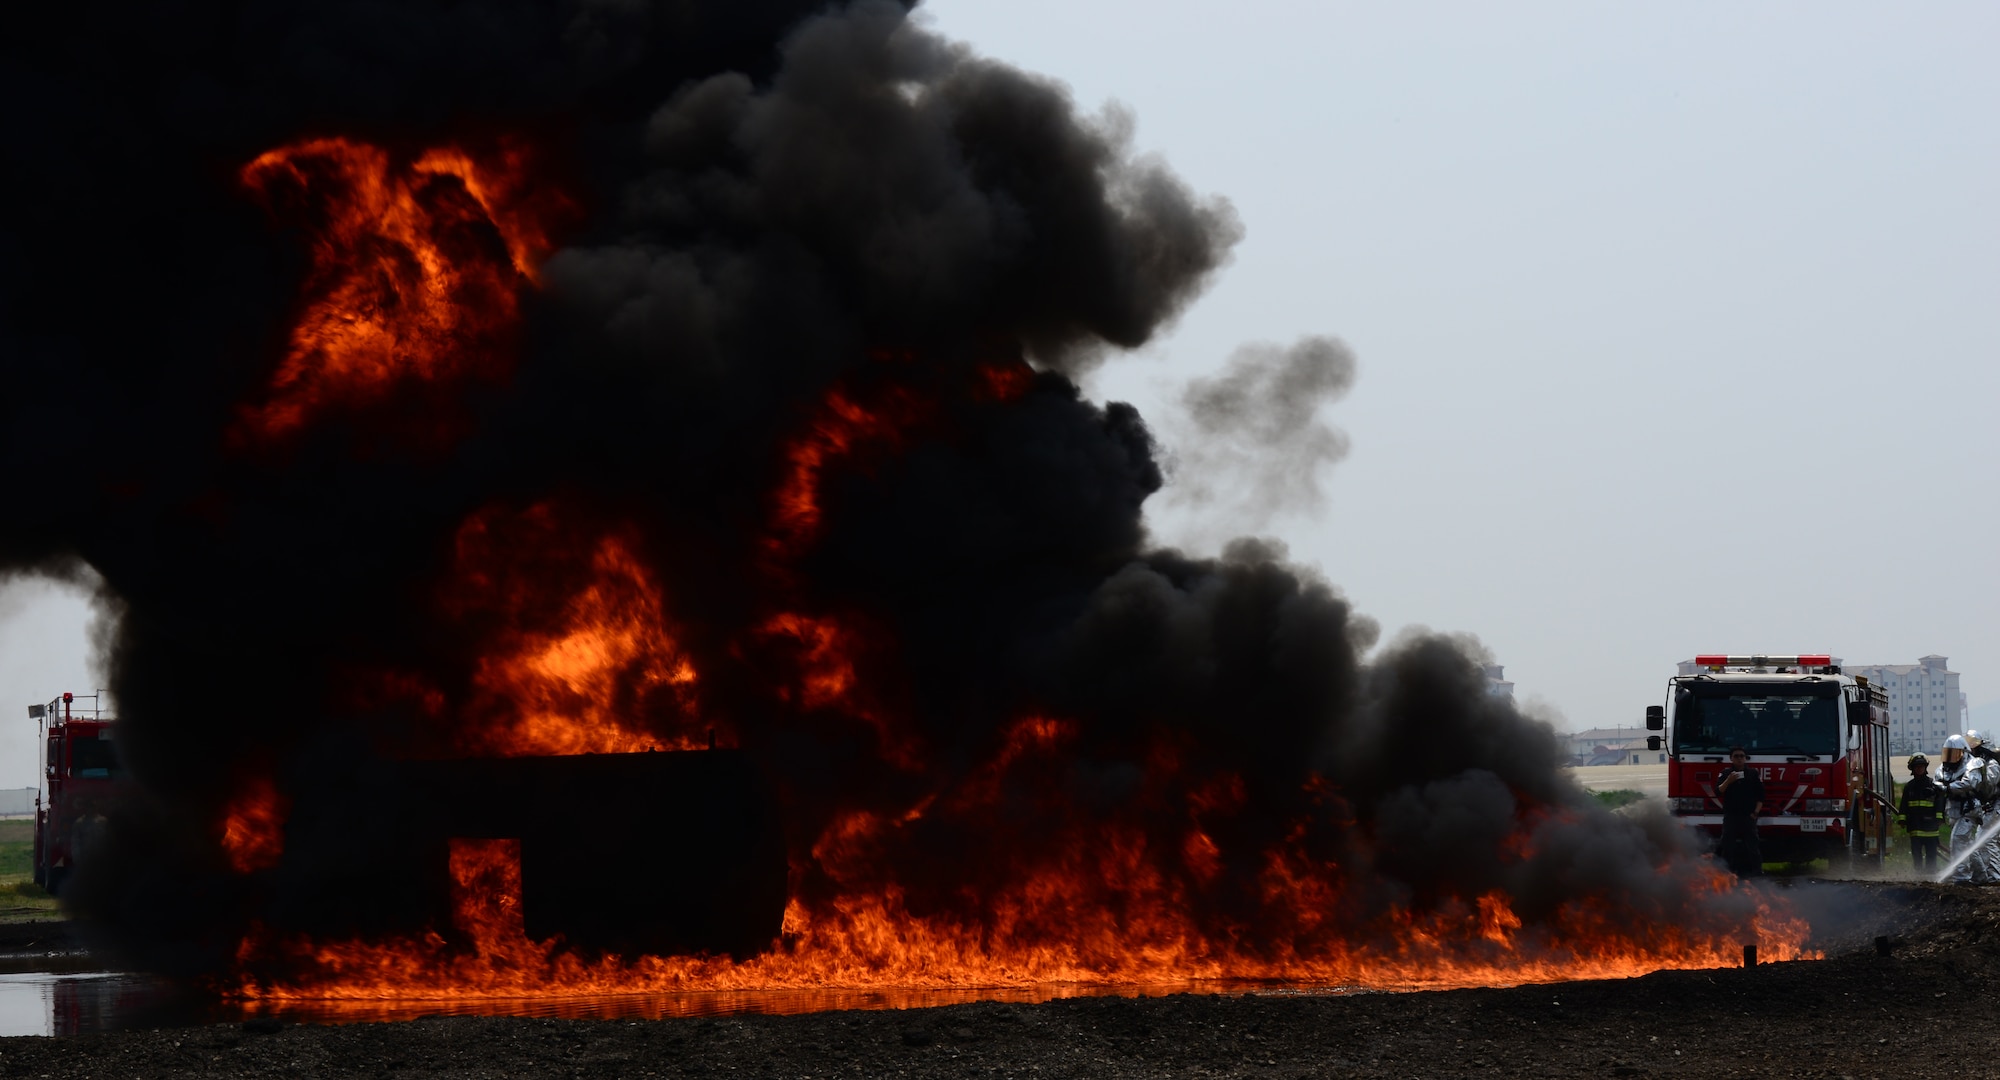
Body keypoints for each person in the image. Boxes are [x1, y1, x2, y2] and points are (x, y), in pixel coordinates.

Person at [1935, 735, 1999, 884]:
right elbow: (1937, 780)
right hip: (1953, 809)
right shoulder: (1944, 768)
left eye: (1955, 753)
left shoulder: (1973, 764)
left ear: (1964, 752)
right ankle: (1981, 875)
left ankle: (1961, 877)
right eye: (1948, 752)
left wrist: (1946, 788)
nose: (1951, 757)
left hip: (1970, 809)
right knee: (1969, 844)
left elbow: (1970, 783)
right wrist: (1934, 788)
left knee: (1958, 839)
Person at [1716, 745, 1764, 878]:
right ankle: (1726, 873)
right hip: (1731, 816)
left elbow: (1761, 795)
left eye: (1742, 756)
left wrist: (1755, 812)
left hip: (1748, 816)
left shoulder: (1753, 774)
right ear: (1731, 758)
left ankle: (1757, 873)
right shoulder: (1725, 773)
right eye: (1736, 756)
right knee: (1727, 846)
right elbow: (1718, 791)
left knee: (1753, 846)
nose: (1739, 759)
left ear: (1745, 758)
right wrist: (1728, 781)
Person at [1899, 753, 1943, 874]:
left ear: (1925, 768)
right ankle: (1918, 874)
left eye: (1922, 766)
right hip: (1915, 827)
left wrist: (1939, 818)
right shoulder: (1909, 787)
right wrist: (1902, 819)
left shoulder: (1933, 785)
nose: (1919, 769)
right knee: (1916, 853)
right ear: (1912, 768)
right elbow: (1903, 805)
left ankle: (1931, 874)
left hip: (1931, 827)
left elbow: (1939, 803)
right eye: (1917, 767)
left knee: (1931, 853)